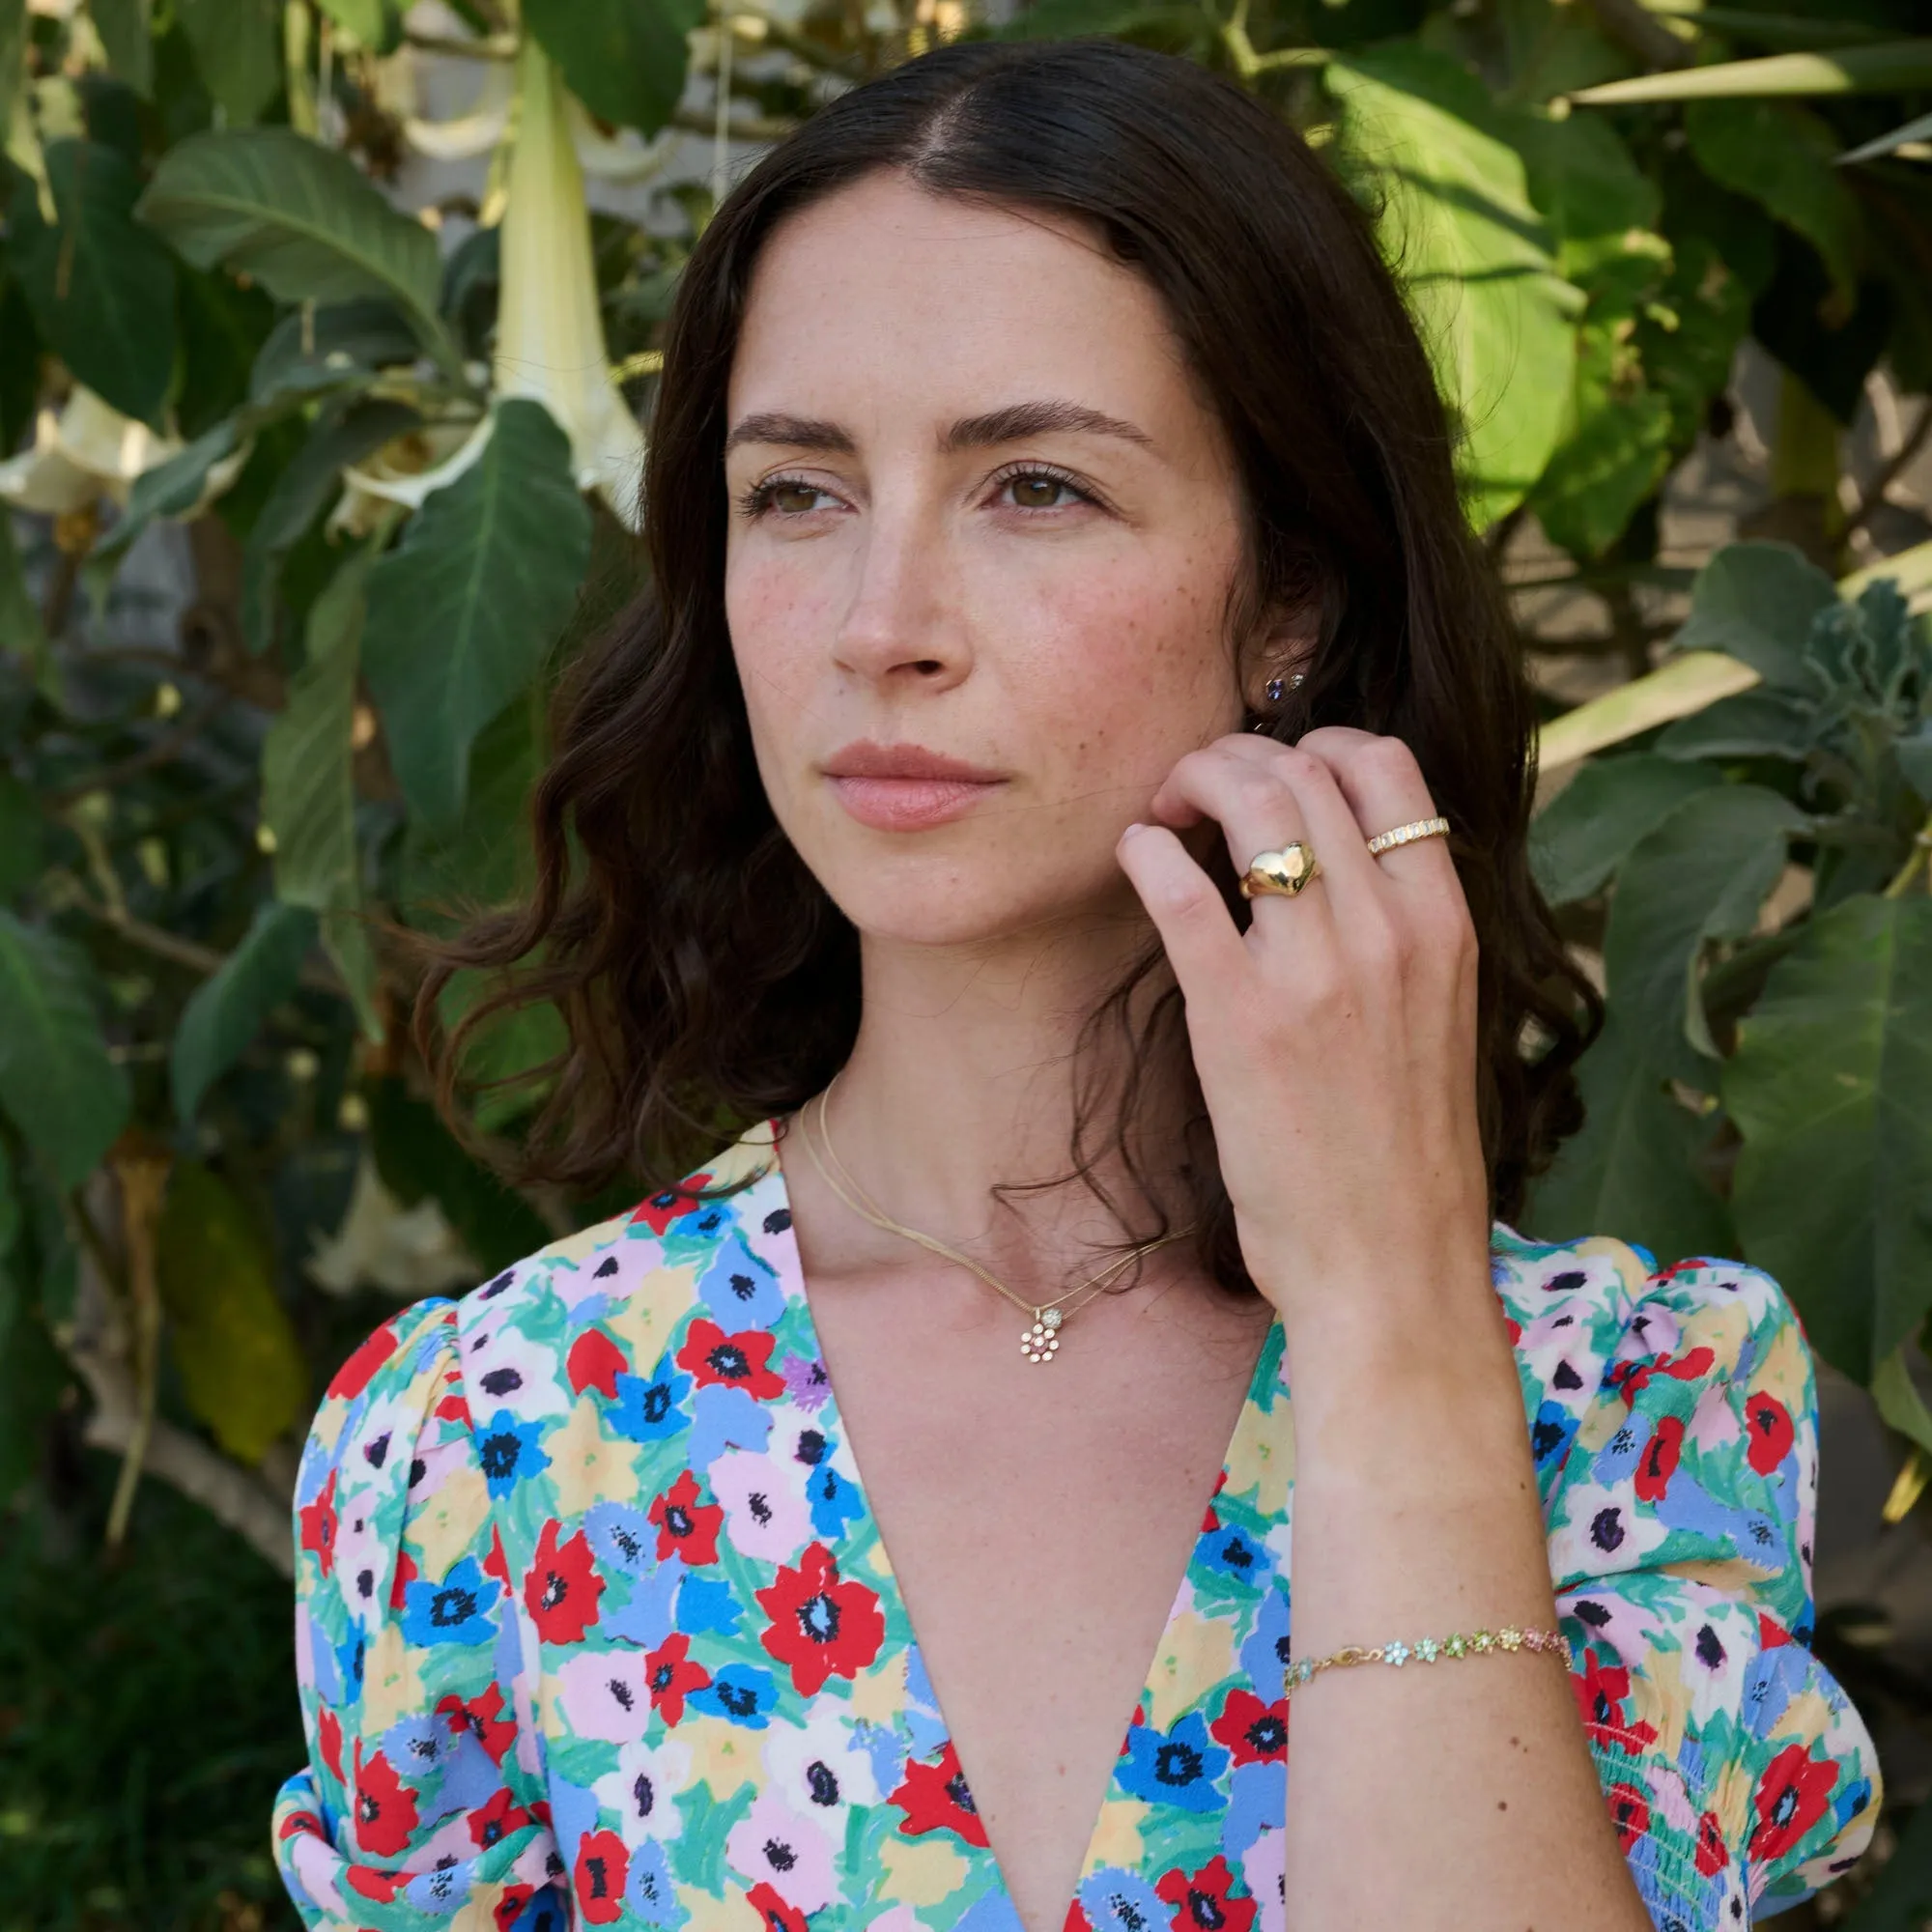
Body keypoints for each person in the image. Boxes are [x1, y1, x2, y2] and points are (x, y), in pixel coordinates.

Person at [270, 36, 1879, 1932]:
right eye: (796, 492)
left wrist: (1384, 1330)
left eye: (1030, 484)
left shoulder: (1627, 1401)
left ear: (1288, 598)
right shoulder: (489, 1440)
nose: (882, 626)